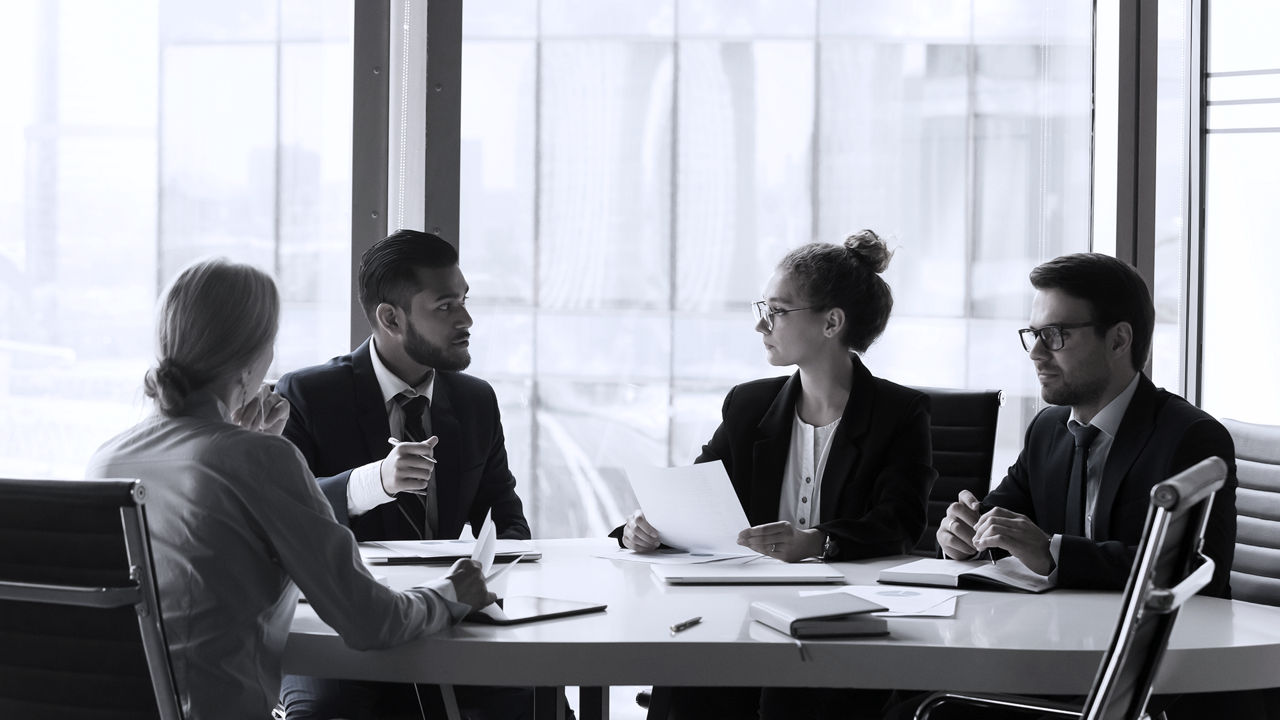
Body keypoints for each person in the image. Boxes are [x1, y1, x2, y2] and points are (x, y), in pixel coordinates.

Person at [85, 259, 494, 720]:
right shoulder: (256, 460)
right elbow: (370, 622)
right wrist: (451, 592)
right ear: (251, 359)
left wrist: (244, 439)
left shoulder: (107, 460)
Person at [617, 230, 936, 720]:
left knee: (796, 698)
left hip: (844, 618)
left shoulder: (899, 412)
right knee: (691, 681)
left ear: (831, 323)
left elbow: (901, 522)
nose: (761, 325)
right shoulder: (750, 405)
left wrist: (815, 542)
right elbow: (699, 495)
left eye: (778, 311)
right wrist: (646, 528)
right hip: (744, 606)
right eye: (761, 309)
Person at [275, 229, 535, 719]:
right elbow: (287, 518)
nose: (466, 320)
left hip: (448, 616)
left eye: (464, 301)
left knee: (536, 700)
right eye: (445, 307)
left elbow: (506, 522)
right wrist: (375, 482)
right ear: (390, 318)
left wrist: (492, 573)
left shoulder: (475, 401)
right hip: (340, 627)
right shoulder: (308, 394)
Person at [937, 252, 1236, 597]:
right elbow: (997, 526)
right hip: (1060, 636)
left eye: (1054, 334)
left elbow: (1196, 569)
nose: (1035, 353)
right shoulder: (1047, 430)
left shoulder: (1191, 437)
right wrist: (963, 537)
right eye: (1033, 334)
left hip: (1162, 645)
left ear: (1118, 341)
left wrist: (1052, 551)